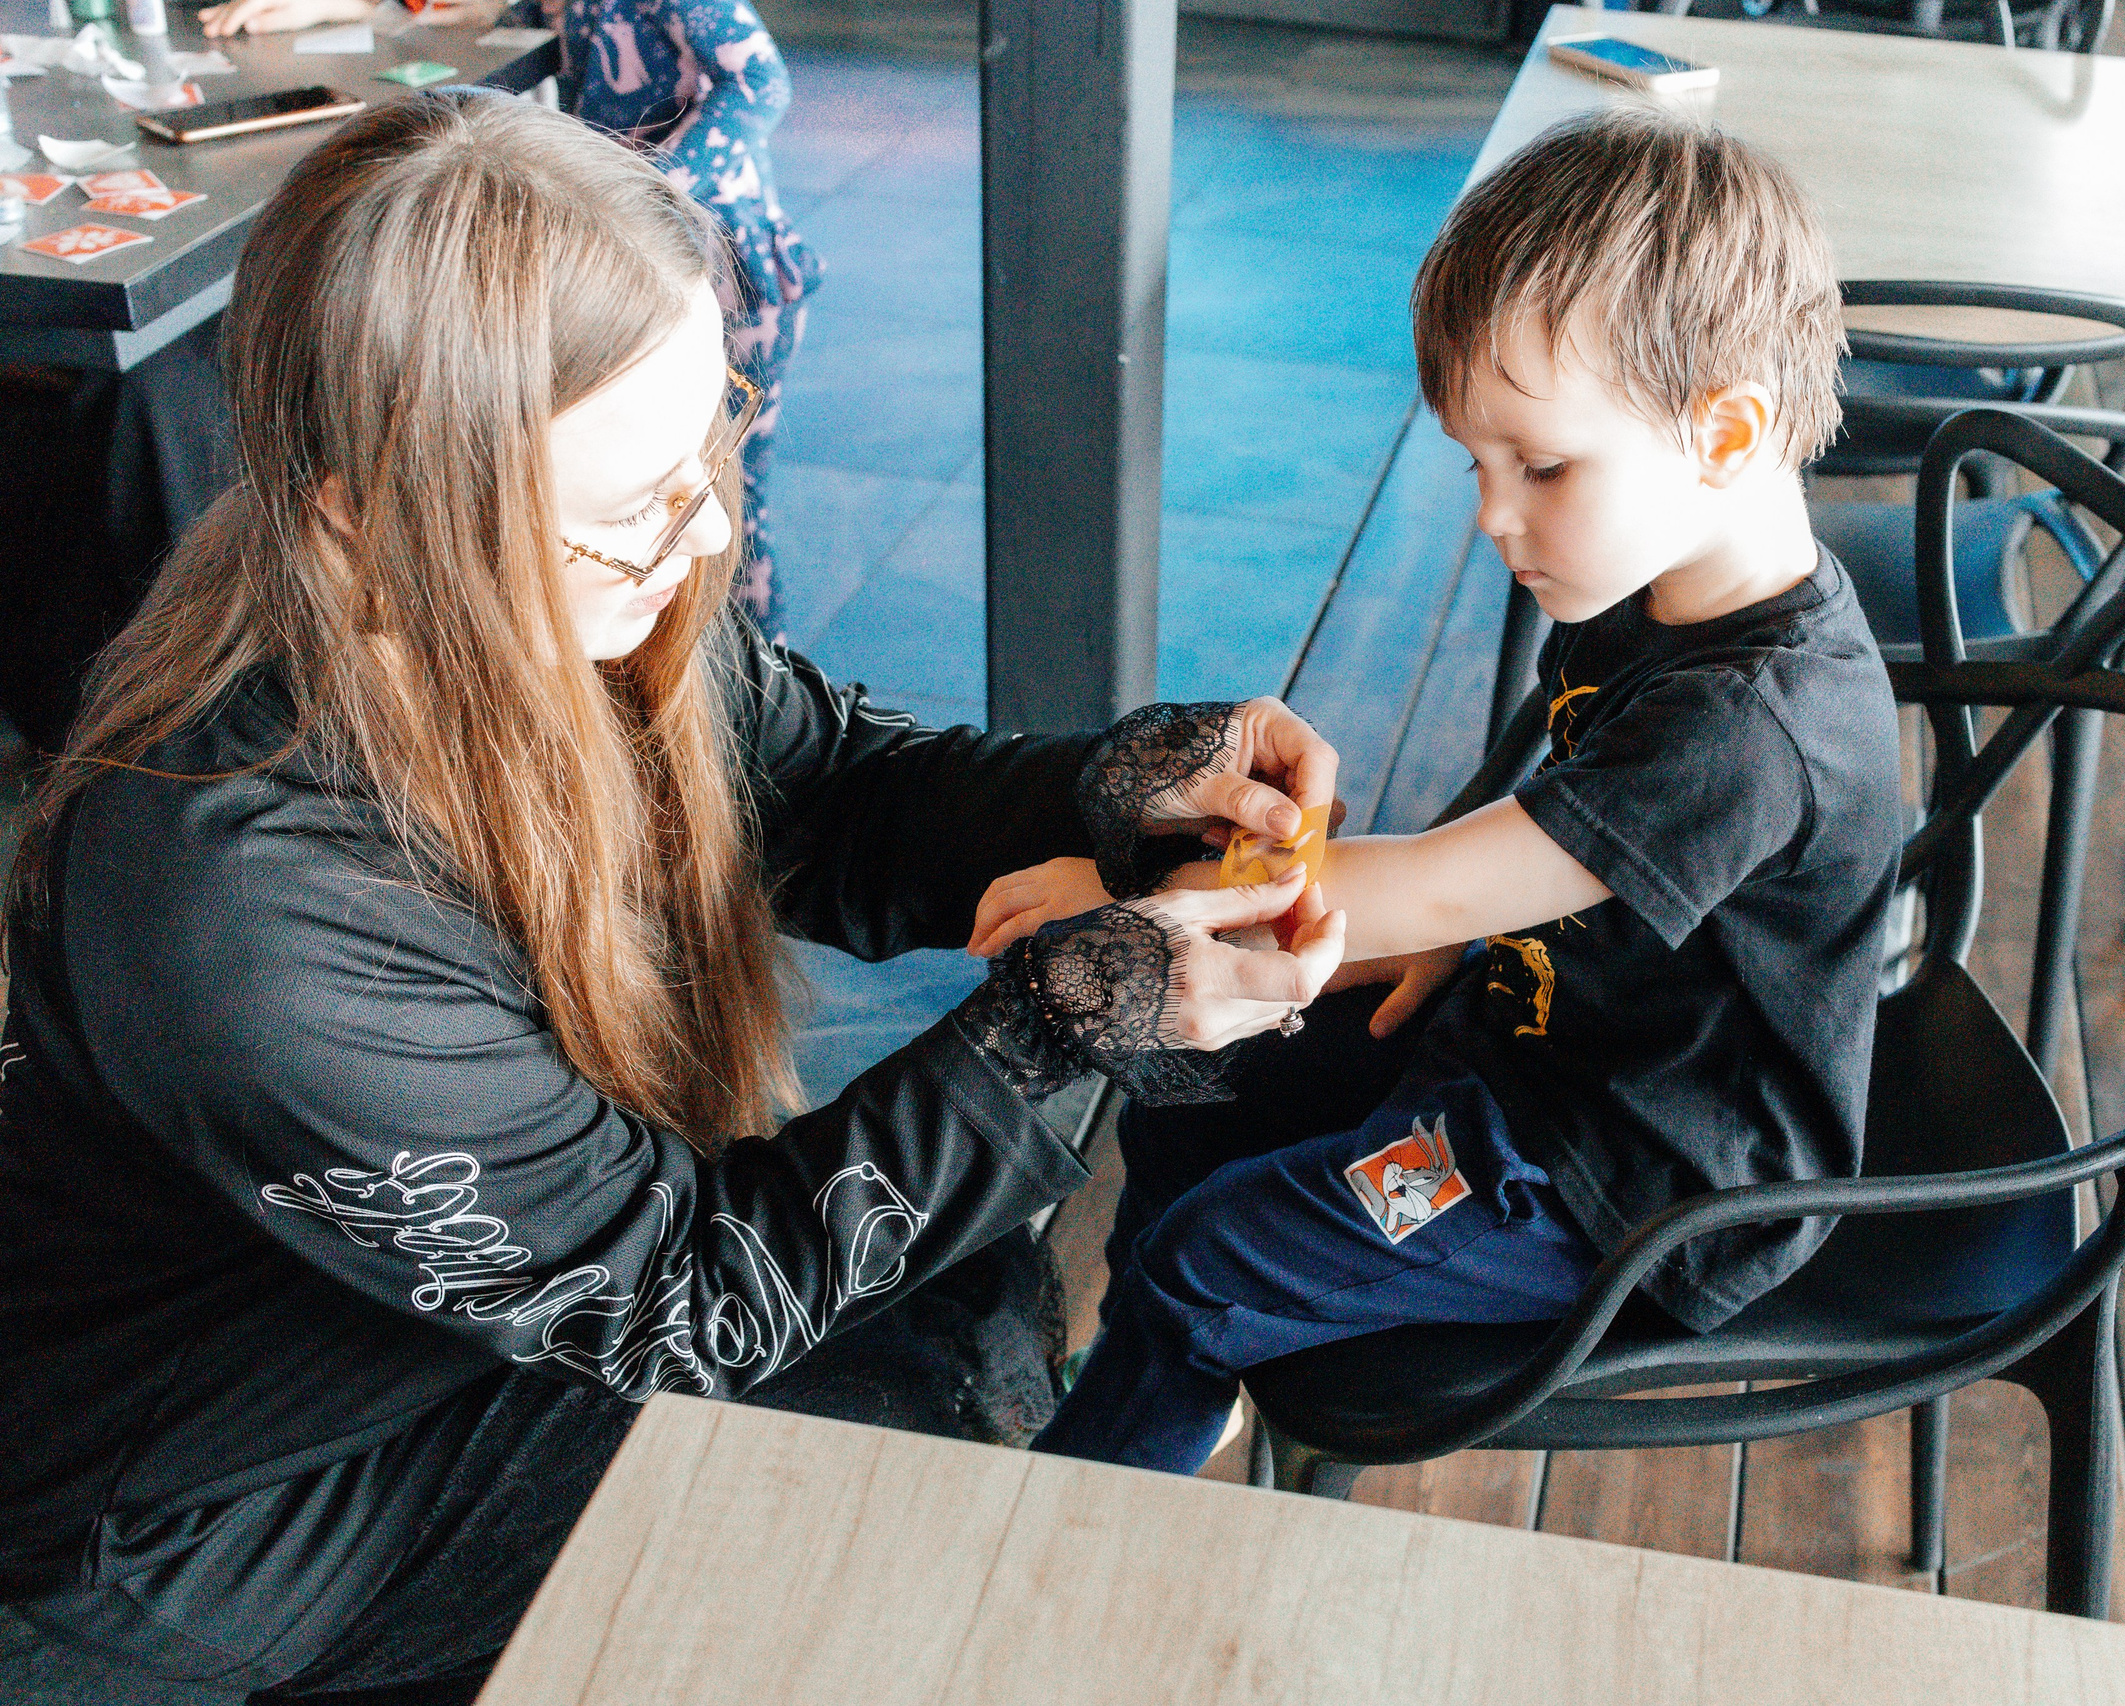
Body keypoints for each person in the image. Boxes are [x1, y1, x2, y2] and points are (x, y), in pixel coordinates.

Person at [0, 93, 1343, 1702]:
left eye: (709, 438)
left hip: (448, 1326)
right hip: (214, 1509)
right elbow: (678, 1303)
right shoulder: (239, 910)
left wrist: (1114, 790)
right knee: (891, 1442)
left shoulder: (543, 593)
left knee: (954, 1303)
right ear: (369, 517)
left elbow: (821, 779)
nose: (705, 528)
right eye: (631, 501)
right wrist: (1059, 1024)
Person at [970, 106, 1905, 1476]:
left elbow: (1444, 871)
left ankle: (1076, 1508)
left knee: (1208, 1261)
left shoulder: (1752, 723)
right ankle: (1154, 1380)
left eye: (1543, 464)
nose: (1490, 513)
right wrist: (1468, 937)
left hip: (1620, 1178)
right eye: (1479, 464)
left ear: (1728, 430)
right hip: (1549, 1042)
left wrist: (1125, 897)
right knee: (1191, 1098)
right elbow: (1563, 855)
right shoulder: (1659, 587)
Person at [198, 0, 817, 637]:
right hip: (600, 258)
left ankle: (751, 655)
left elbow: (760, 81)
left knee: (729, 492)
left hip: (709, 259)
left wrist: (640, 195)